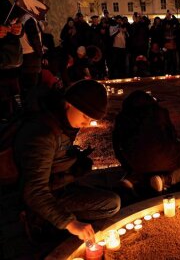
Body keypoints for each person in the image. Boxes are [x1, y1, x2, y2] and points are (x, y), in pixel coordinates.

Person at [15, 80, 123, 242]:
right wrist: (70, 223)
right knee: (111, 204)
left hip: (60, 184)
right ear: (68, 104)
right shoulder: (42, 135)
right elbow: (34, 191)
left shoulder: (60, 122)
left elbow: (56, 155)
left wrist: (74, 161)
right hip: (46, 195)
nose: (87, 124)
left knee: (111, 200)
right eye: (85, 116)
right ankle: (41, 221)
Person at [113, 90, 180, 192]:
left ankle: (131, 179)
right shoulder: (160, 112)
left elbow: (117, 146)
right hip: (164, 159)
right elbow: (172, 136)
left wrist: (128, 166)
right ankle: (165, 180)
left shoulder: (121, 118)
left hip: (136, 163)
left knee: (142, 162)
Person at [0, 0, 24, 122]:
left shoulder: (5, 3)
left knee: (9, 108)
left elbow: (15, 22)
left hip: (9, 64)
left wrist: (19, 29)